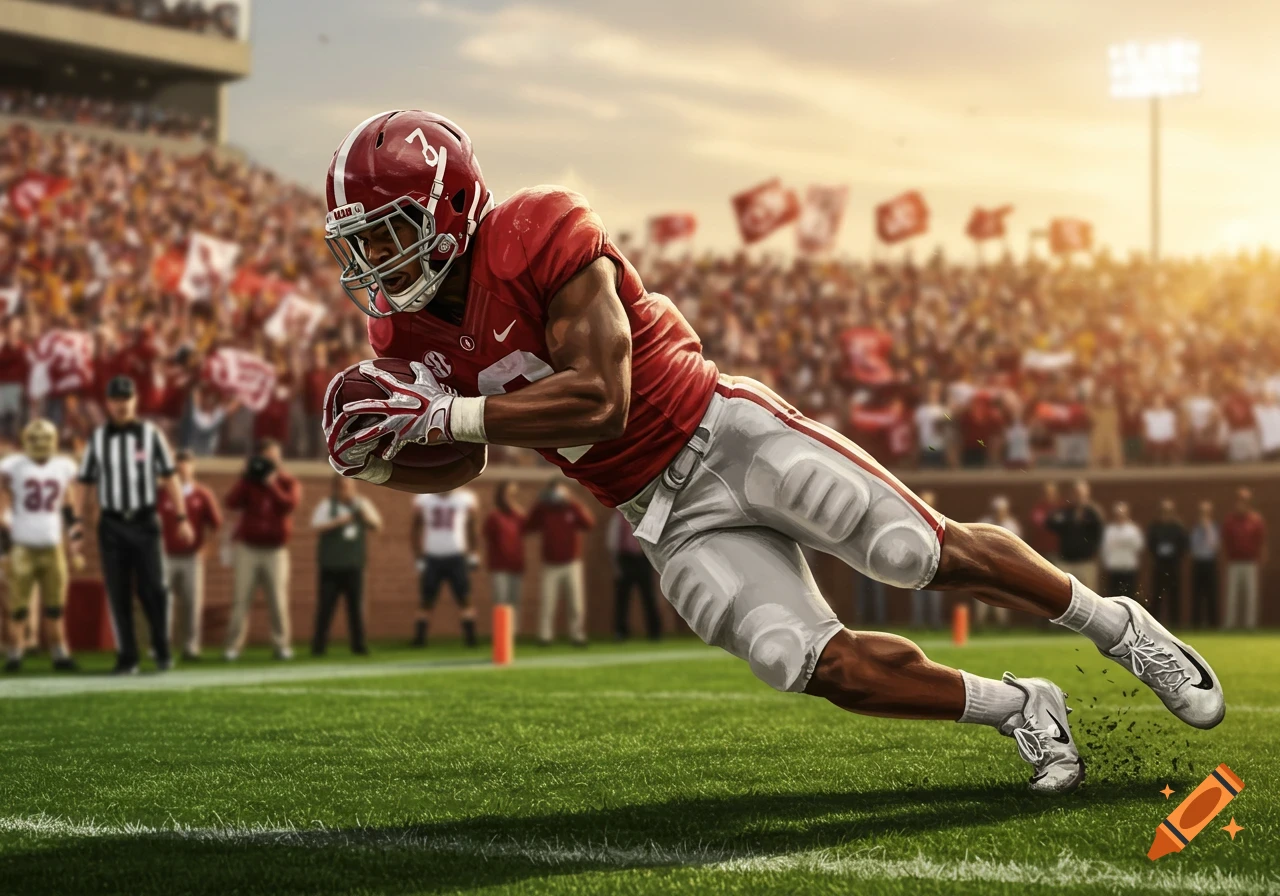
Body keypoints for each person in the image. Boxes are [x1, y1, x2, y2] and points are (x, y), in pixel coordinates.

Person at [320, 110, 1224, 794]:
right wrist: (386, 453)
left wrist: (442, 417)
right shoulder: (401, 331)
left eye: (390, 232)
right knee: (808, 663)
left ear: (451, 204)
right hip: (658, 511)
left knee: (917, 551)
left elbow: (603, 399)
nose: (376, 260)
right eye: (360, 242)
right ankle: (1022, 707)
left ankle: (1119, 629)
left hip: (723, 432)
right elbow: (463, 464)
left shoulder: (537, 229)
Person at [75, 375, 190, 674]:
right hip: (112, 524)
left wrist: (181, 516)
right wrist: (76, 523)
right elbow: (84, 482)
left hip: (144, 521)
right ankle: (128, 656)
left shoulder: (151, 435)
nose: (121, 405)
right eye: (115, 399)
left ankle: (161, 647)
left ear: (135, 401)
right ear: (108, 403)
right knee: (118, 591)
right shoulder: (98, 439)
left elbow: (170, 476)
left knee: (154, 588)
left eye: (126, 399)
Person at [0, 419, 84, 672]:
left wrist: (75, 538)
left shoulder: (62, 466)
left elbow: (69, 504)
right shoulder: (14, 465)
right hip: (22, 546)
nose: (39, 444)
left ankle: (59, 652)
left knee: (55, 606)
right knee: (18, 607)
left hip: (52, 546)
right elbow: (2, 497)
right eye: (34, 439)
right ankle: (15, 653)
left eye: (44, 439)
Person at [223, 439, 300, 661]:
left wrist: (272, 484)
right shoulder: (249, 483)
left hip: (276, 550)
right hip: (248, 548)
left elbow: (289, 505)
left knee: (277, 600)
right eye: (267, 457)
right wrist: (245, 477)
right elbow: (231, 502)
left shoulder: (286, 481)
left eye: (274, 457)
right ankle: (233, 646)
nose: (270, 461)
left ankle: (281, 645)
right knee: (241, 599)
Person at [157, 449, 222, 660]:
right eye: (178, 463)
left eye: (186, 463)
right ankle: (161, 645)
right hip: (166, 555)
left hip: (191, 556)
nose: (182, 467)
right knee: (163, 603)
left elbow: (215, 524)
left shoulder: (202, 494)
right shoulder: (162, 492)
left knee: (192, 604)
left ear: (193, 467)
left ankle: (191, 647)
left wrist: (207, 549)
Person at [310, 475, 382, 655]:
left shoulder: (361, 504)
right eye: (342, 486)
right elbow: (316, 526)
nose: (346, 489)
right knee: (326, 607)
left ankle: (358, 645)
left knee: (356, 608)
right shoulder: (328, 506)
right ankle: (319, 645)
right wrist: (338, 521)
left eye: (349, 485)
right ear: (335, 487)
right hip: (331, 565)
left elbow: (377, 525)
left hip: (354, 565)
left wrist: (363, 516)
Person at [524, 479, 595, 645]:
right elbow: (528, 526)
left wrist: (573, 502)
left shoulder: (572, 508)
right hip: (550, 564)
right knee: (548, 602)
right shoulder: (544, 510)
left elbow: (589, 524)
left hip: (572, 563)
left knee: (576, 603)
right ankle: (545, 636)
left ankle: (577, 635)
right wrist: (538, 503)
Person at [410, 487, 479, 647]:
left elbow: (472, 527)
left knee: (465, 599)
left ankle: (471, 639)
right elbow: (415, 529)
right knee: (426, 600)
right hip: (432, 557)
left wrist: (474, 553)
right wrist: (418, 556)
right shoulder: (424, 498)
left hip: (456, 556)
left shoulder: (465, 498)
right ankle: (419, 639)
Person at [608, 509, 661, 641]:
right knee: (622, 598)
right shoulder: (618, 517)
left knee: (649, 596)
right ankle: (621, 631)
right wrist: (616, 565)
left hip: (643, 558)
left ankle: (655, 631)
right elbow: (612, 541)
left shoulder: (647, 515)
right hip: (626, 559)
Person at [483, 481, 527, 631]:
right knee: (501, 601)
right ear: (501, 495)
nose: (511, 498)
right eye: (508, 494)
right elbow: (488, 536)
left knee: (515, 601)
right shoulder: (494, 516)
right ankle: (501, 635)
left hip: (516, 565)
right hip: (499, 566)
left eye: (513, 494)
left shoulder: (518, 516)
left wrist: (517, 510)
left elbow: (527, 527)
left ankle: (513, 634)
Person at [1046, 480, 1104, 592]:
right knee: (1063, 594)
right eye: (1076, 493)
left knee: (1089, 596)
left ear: (1087, 494)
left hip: (1086, 562)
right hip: (1066, 562)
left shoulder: (1093, 513)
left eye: (1081, 493)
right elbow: (1050, 523)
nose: (1079, 496)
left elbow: (1099, 534)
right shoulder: (1065, 512)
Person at [1221, 488, 1266, 630]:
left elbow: (1261, 541)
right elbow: (1225, 541)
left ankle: (1250, 625)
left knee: (1250, 595)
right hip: (1234, 562)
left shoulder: (1256, 520)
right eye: (1240, 501)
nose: (1242, 504)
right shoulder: (1230, 520)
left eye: (1245, 501)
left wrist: (1261, 559)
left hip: (1250, 562)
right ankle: (1230, 623)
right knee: (1233, 595)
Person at [973, 496, 1020, 628]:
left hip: (1003, 567)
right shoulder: (984, 522)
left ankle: (1003, 625)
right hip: (985, 566)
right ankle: (979, 625)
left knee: (1002, 596)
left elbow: (1015, 548)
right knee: (982, 595)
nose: (999, 513)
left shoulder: (1011, 525)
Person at [1147, 500, 1189, 628]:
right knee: (1156, 596)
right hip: (1159, 565)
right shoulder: (1155, 527)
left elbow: (1184, 545)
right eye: (1164, 511)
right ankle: (1153, 625)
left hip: (1173, 566)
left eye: (1168, 511)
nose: (1166, 513)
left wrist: (1174, 553)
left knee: (1174, 596)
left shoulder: (1178, 527)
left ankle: (1175, 624)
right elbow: (1150, 544)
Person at [909, 489, 943, 629]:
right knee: (918, 600)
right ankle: (918, 624)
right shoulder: (913, 521)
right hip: (917, 567)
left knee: (934, 599)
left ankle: (935, 624)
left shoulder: (939, 522)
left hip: (934, 567)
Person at [1100, 502, 1143, 599]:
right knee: (1114, 597)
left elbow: (1139, 546)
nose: (1120, 517)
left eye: (1122, 514)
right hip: (1114, 570)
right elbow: (1105, 549)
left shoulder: (1133, 530)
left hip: (1129, 569)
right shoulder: (1109, 530)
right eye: (1118, 515)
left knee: (1129, 597)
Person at [1189, 501, 1220, 629]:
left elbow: (1214, 545)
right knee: (1197, 593)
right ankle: (1196, 623)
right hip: (1198, 562)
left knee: (1211, 593)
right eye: (1202, 512)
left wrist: (1207, 528)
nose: (1204, 515)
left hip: (1209, 562)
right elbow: (1193, 547)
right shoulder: (1196, 528)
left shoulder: (1213, 527)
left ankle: (1213, 623)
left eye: (1206, 512)